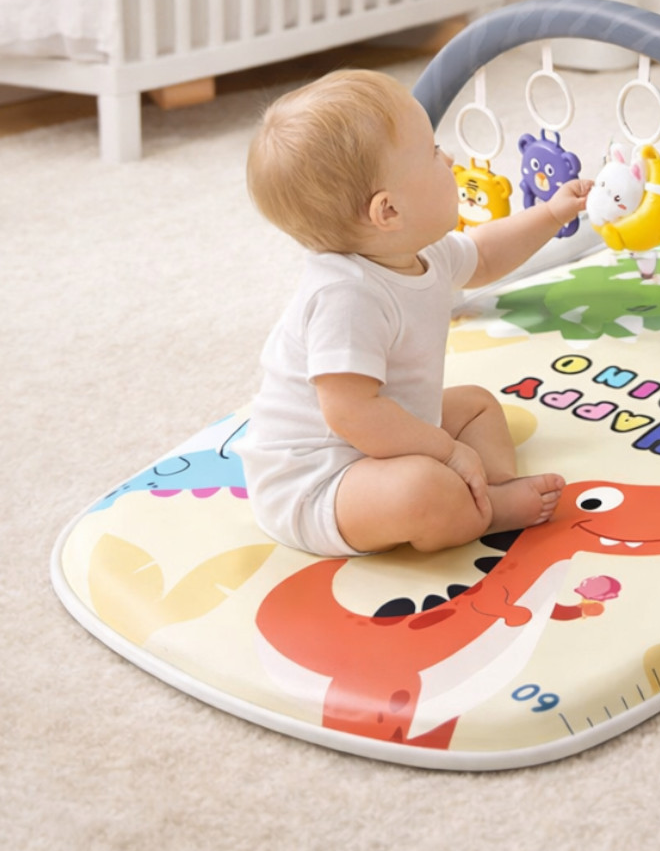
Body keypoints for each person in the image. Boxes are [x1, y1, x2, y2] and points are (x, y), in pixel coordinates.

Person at [241, 68, 592, 558]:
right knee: (420, 489)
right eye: (432, 152)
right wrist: (445, 450)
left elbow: (484, 256)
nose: (449, 158)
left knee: (477, 405)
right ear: (388, 211)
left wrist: (551, 214)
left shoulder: (421, 251)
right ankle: (479, 508)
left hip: (388, 432)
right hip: (320, 481)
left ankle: (487, 490)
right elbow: (350, 412)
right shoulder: (346, 296)